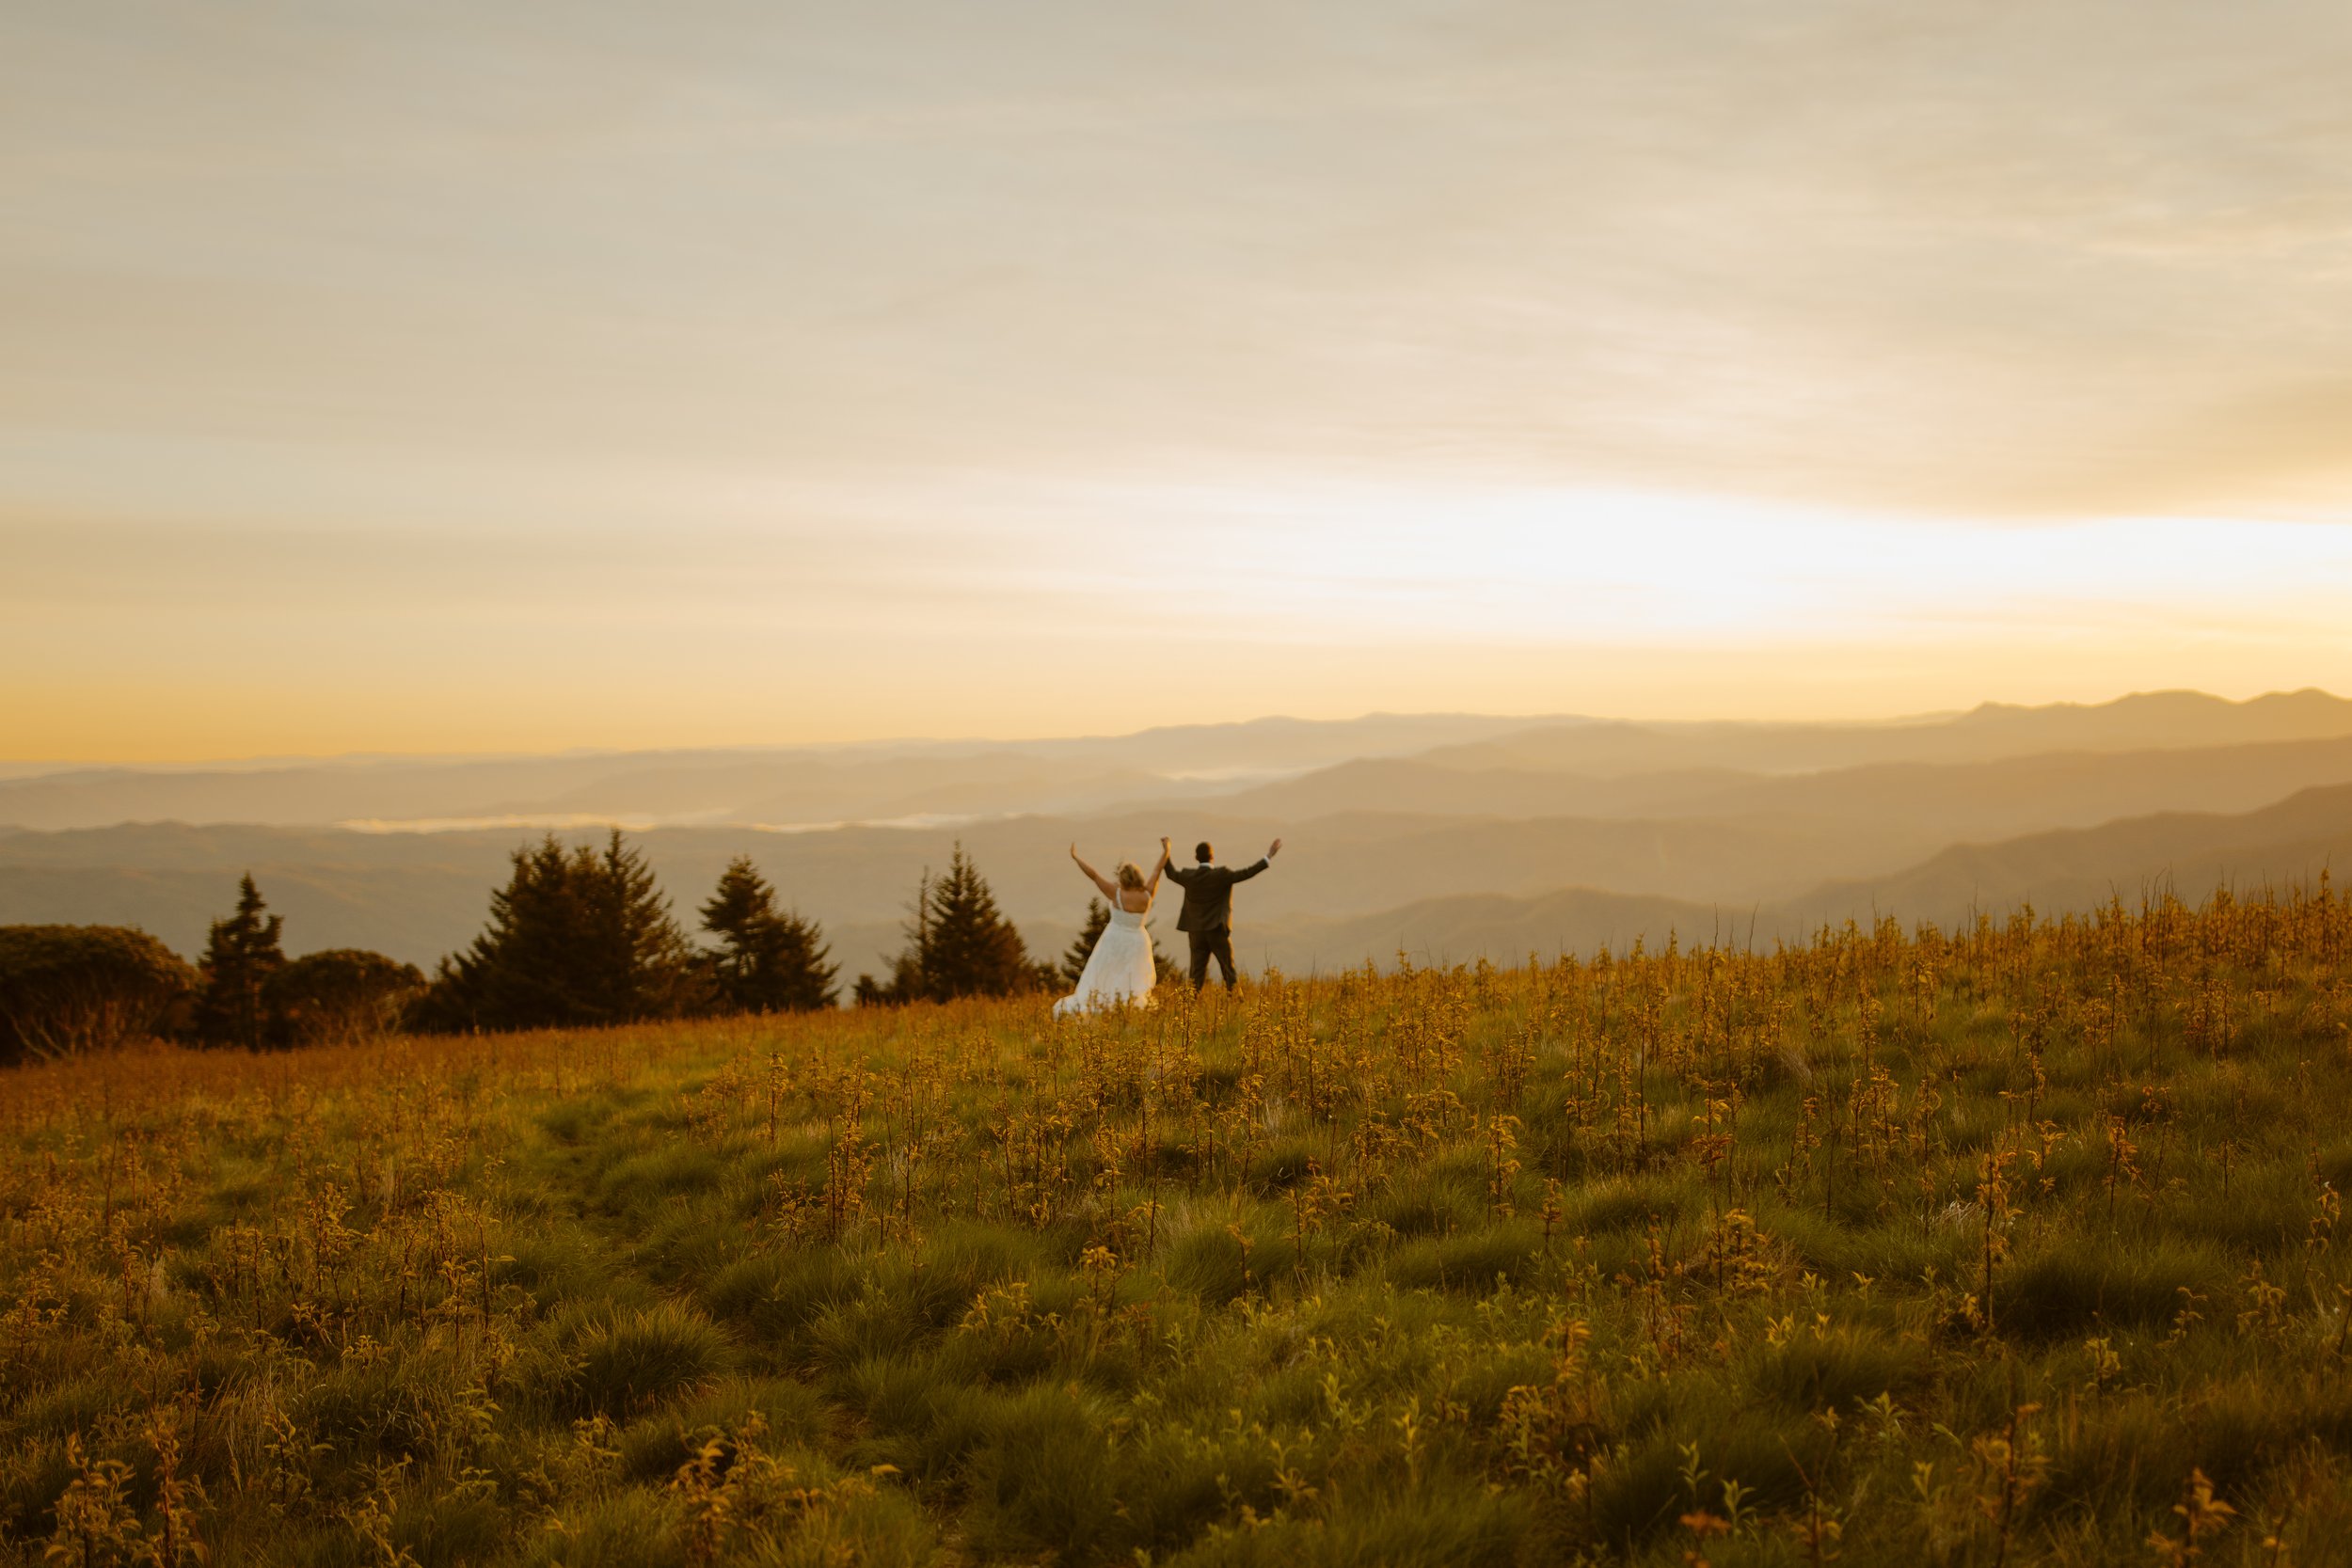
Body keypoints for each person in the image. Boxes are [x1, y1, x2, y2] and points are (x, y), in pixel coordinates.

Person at [1055, 842, 1170, 1016]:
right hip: (1138, 941)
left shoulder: (1116, 893)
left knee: (1108, 972)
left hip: (1114, 940)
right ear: (1138, 876)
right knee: (1132, 976)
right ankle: (1127, 1007)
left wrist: (1076, 857)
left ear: (1123, 879)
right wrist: (1166, 850)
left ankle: (1106, 1005)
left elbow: (1093, 875)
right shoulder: (1147, 894)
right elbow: (1157, 870)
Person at [1162, 835, 1281, 990]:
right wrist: (1269, 856)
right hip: (1217, 930)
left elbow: (1170, 873)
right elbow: (1247, 873)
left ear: (1196, 857)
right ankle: (1236, 1003)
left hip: (1196, 932)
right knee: (1228, 971)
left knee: (1195, 975)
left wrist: (1167, 850)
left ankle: (1189, 1008)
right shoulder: (1222, 875)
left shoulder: (1188, 876)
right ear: (1212, 856)